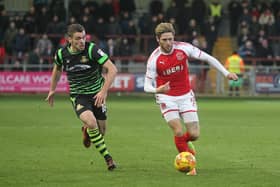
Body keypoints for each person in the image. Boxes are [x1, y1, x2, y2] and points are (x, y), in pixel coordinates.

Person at [144, 22, 238, 175]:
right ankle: (190, 165)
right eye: (164, 40)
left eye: (170, 39)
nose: (168, 43)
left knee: (194, 134)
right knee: (178, 130)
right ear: (157, 39)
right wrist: (157, 89)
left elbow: (208, 58)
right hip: (166, 97)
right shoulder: (154, 59)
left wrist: (226, 73)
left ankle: (184, 143)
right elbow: (146, 86)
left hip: (185, 95)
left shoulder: (184, 48)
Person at [46, 24, 118, 171]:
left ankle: (86, 130)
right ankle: (108, 158)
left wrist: (103, 91)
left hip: (98, 94)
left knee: (101, 131)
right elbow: (57, 69)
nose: (82, 41)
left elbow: (112, 69)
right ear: (69, 39)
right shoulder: (61, 54)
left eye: (84, 37)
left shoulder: (92, 49)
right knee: (92, 123)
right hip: (79, 96)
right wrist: (52, 89)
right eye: (78, 38)